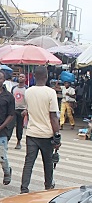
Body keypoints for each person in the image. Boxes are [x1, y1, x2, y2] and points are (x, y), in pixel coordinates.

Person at [20, 66, 61, 194]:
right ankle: (48, 186)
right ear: (46, 76)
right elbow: (53, 117)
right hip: (46, 134)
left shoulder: (28, 91)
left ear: (33, 76)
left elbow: (28, 109)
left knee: (29, 162)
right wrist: (57, 136)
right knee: (48, 163)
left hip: (31, 133)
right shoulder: (51, 92)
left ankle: (24, 188)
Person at [10, 73, 27, 149]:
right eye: (19, 76)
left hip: (22, 110)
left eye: (22, 77)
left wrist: (26, 109)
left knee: (19, 127)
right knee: (10, 125)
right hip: (14, 109)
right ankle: (6, 140)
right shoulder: (14, 88)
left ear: (25, 79)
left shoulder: (27, 89)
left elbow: (29, 100)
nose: (20, 78)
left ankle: (19, 141)